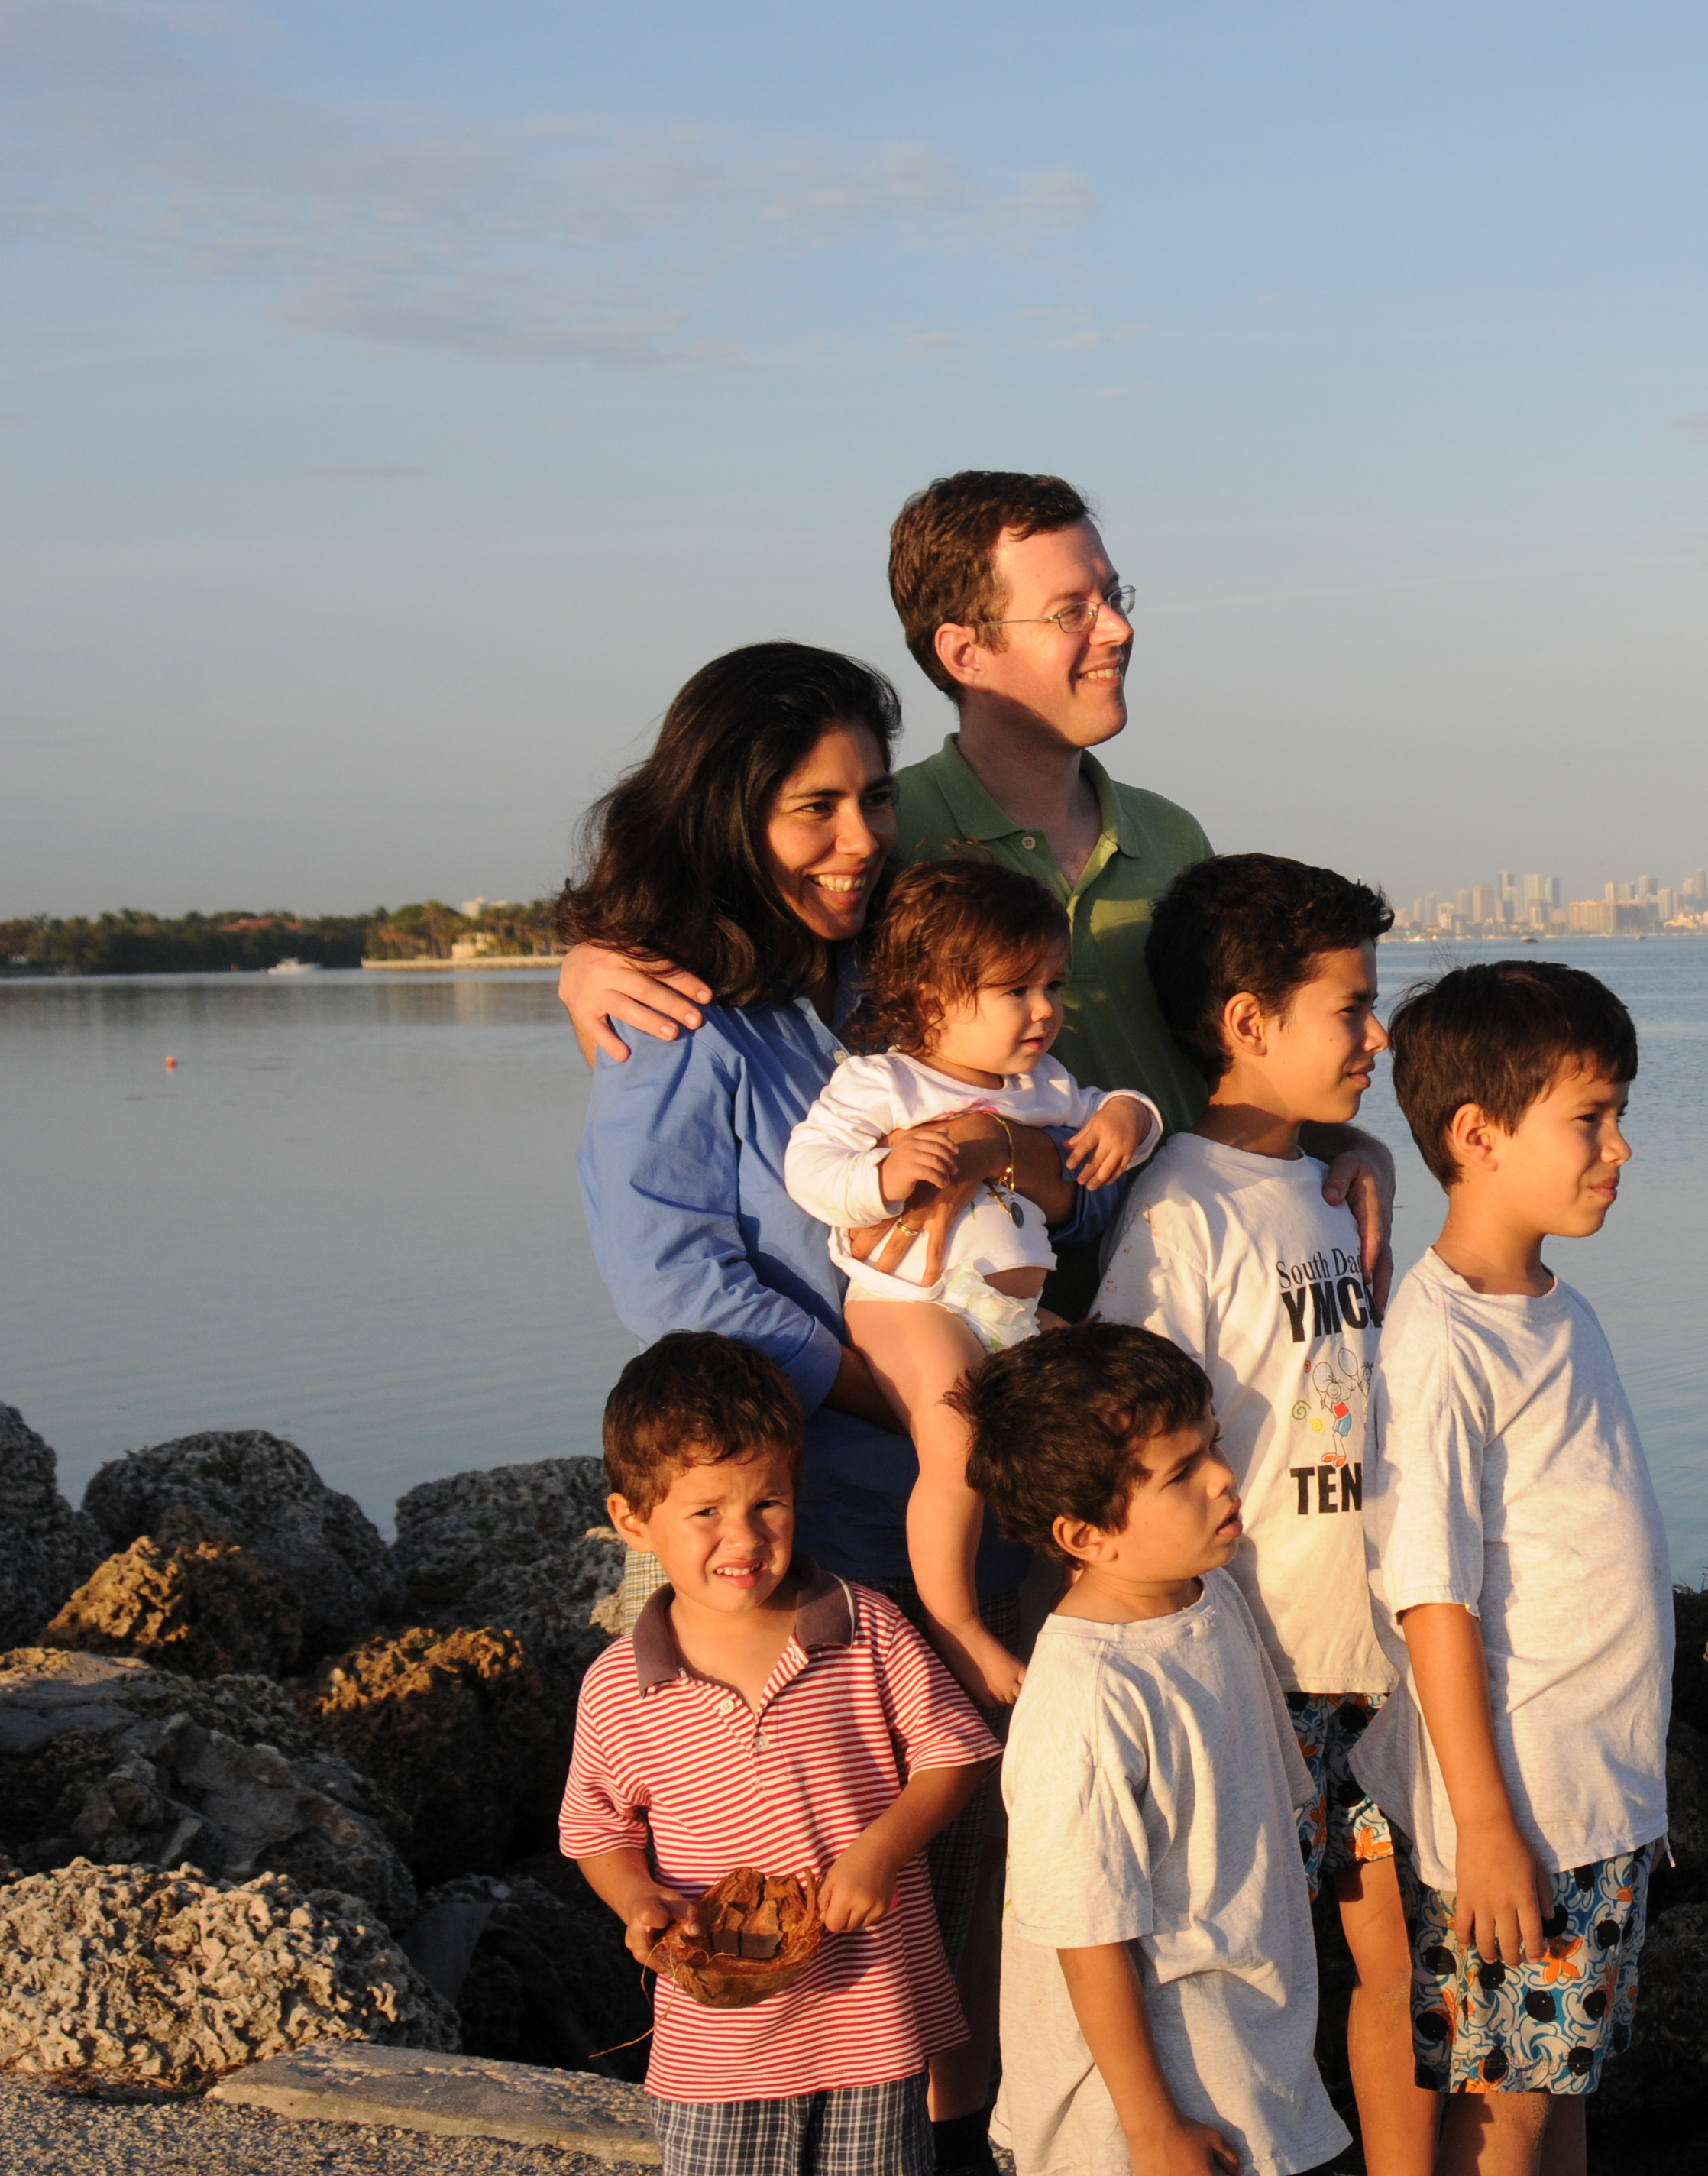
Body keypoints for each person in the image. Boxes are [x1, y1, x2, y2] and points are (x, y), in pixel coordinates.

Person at [563, 640, 1107, 2168]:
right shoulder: (674, 1023)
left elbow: (1020, 1130)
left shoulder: (865, 978)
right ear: (725, 810)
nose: (858, 838)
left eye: (872, 797)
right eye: (814, 806)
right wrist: (895, 1384)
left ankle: (968, 2133)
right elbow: (672, 1280)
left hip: (951, 1493)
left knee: (960, 1860)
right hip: (807, 1526)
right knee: (824, 1897)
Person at [557, 471, 1396, 1310]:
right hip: (1003, 1313)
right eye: (1071, 612)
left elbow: (1241, 1065)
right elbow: (738, 910)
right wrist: (599, 956)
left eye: (1113, 597)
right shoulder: (892, 843)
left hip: (1205, 1292)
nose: (1118, 628)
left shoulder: (1171, 836)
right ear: (965, 652)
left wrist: (1348, 1148)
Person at [1089, 852, 1433, 2173]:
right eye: (1351, 1008)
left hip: (1371, 1652)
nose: (1376, 1036)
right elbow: (1129, 1443)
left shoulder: (1332, 1185)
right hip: (1256, 1663)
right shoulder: (1180, 1212)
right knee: (1244, 1974)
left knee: (1396, 1963)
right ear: (1247, 1021)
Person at [1352, 963, 1671, 2176]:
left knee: (1556, 2091)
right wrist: (1484, 1821)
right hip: (1526, 1805)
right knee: (1507, 2109)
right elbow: (1432, 1596)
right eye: (1590, 1118)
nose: (1620, 1148)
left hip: (1594, 1786)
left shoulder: (1557, 1310)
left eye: (1619, 1113)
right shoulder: (1442, 1341)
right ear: (1477, 1136)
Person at [563, 1330, 1001, 2176]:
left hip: (871, 2020)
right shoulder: (620, 1683)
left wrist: (881, 1851)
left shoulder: (865, 1628)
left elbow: (956, 1753)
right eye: (706, 1512)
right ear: (632, 1521)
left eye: (768, 1503)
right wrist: (637, 1900)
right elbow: (595, 1828)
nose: (744, 1538)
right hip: (716, 2045)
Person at [961, 1323, 1353, 2176]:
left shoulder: (1211, 1599)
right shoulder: (1085, 1698)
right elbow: (1085, 1938)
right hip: (1128, 2125)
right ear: (1084, 1537)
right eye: (1181, 1472)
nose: (1222, 1477)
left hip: (1255, 2066)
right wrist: (1151, 2130)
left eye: (1212, 1444)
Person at [787, 858, 1163, 1708]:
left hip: (1011, 1316)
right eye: (1015, 990)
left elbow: (1120, 1118)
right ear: (931, 1000)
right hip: (911, 1306)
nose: (1044, 1009)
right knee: (955, 1445)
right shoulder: (883, 1081)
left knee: (1102, 1407)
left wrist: (1129, 1115)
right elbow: (808, 1167)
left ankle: (1088, 1583)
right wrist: (881, 1176)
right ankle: (956, 1623)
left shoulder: (1044, 1085)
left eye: (1053, 985)